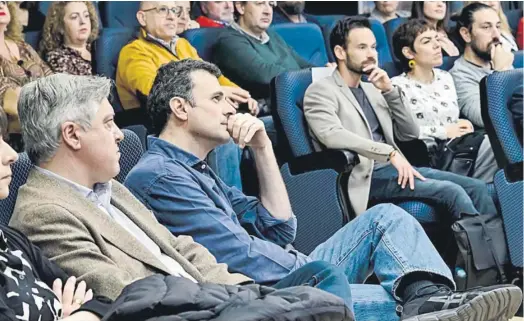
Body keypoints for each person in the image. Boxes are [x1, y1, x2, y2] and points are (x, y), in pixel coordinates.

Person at [123, 58, 522, 321]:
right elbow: (239, 257)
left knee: (387, 219)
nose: (231, 109)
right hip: (259, 292)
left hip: (285, 269)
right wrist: (312, 269)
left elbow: (279, 229)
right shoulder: (161, 176)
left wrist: (263, 150)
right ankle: (433, 302)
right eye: (216, 98)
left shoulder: (197, 169)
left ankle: (430, 296)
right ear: (180, 108)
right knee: (396, 303)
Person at [9, 73, 366, 317]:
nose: (120, 134)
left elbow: (182, 247)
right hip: (192, 312)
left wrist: (245, 290)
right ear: (72, 135)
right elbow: (125, 292)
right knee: (329, 301)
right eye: (108, 123)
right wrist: (238, 299)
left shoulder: (109, 187)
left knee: (323, 278)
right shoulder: (43, 211)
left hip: (221, 296)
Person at [303, 17, 500, 226]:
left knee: (475, 188)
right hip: (365, 175)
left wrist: (389, 92)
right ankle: (480, 257)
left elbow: (409, 133)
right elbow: (331, 134)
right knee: (452, 192)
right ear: (341, 52)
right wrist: (387, 152)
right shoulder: (321, 90)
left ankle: (500, 257)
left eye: (373, 47)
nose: (371, 54)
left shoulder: (373, 89)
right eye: (362, 47)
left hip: (397, 168)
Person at [0, 109, 110, 321]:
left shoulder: (9, 238)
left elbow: (100, 300)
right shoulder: (40, 213)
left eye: (4, 139)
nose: (11, 155)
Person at [391, 19, 498, 183]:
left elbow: (450, 119)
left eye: (436, 39)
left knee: (504, 143)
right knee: (500, 146)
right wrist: (444, 131)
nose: (436, 46)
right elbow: (403, 133)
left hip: (460, 149)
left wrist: (463, 123)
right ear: (408, 53)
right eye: (427, 41)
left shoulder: (445, 77)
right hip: (430, 157)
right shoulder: (397, 86)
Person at [116, 1, 256, 114]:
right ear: (142, 18)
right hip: (160, 126)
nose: (172, 17)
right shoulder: (133, 51)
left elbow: (210, 75)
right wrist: (215, 92)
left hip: (195, 116)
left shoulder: (182, 44)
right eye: (162, 10)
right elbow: (157, 92)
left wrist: (243, 96)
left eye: (174, 10)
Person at [212, 1, 317, 107]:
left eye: (271, 5)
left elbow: (302, 64)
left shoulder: (272, 35)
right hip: (266, 113)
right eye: (260, 3)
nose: (268, 11)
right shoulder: (229, 41)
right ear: (240, 7)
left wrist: (326, 72)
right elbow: (266, 75)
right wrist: (313, 76)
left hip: (294, 103)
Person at [450, 2, 514, 128]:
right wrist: (501, 71)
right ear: (466, 34)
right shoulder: (459, 75)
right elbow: (489, 119)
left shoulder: (501, 60)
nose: (496, 35)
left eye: (498, 26)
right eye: (486, 27)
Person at [0, 0, 53, 151]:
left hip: (47, 118)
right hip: (17, 136)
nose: (0, 5)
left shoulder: (22, 46)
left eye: (3, 1)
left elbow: (51, 77)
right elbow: (10, 99)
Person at [40, 1, 100, 75]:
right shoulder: (57, 58)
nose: (83, 21)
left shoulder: (100, 48)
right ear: (60, 26)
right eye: (74, 17)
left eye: (86, 16)